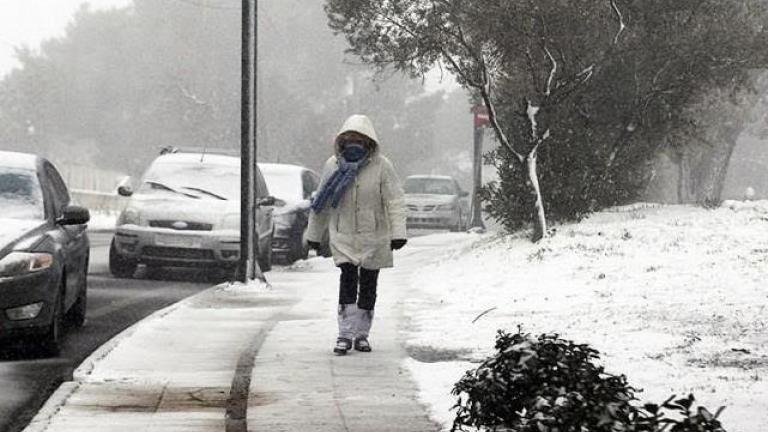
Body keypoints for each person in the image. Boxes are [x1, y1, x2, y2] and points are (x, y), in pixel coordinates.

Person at [306, 114, 407, 355]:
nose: (354, 143)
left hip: (374, 235)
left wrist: (398, 233)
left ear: (369, 142)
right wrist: (314, 234)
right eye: (349, 138)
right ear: (341, 140)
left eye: (359, 139)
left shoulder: (382, 166)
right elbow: (322, 202)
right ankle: (345, 333)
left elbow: (395, 200)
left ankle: (362, 334)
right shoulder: (332, 166)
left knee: (369, 284)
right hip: (344, 234)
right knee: (348, 281)